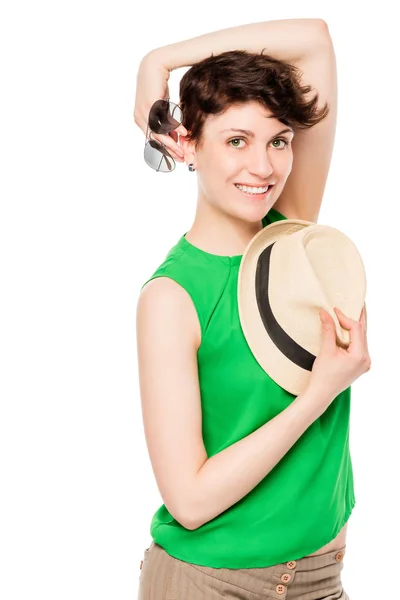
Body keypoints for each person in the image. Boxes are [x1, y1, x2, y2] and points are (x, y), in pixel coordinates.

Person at [134, 18, 370, 600]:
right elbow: (188, 501)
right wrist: (319, 394)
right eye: (236, 141)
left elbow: (314, 42)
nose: (263, 168)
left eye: (279, 140)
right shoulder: (172, 298)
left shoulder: (290, 236)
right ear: (186, 142)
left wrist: (161, 60)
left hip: (321, 580)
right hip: (212, 583)